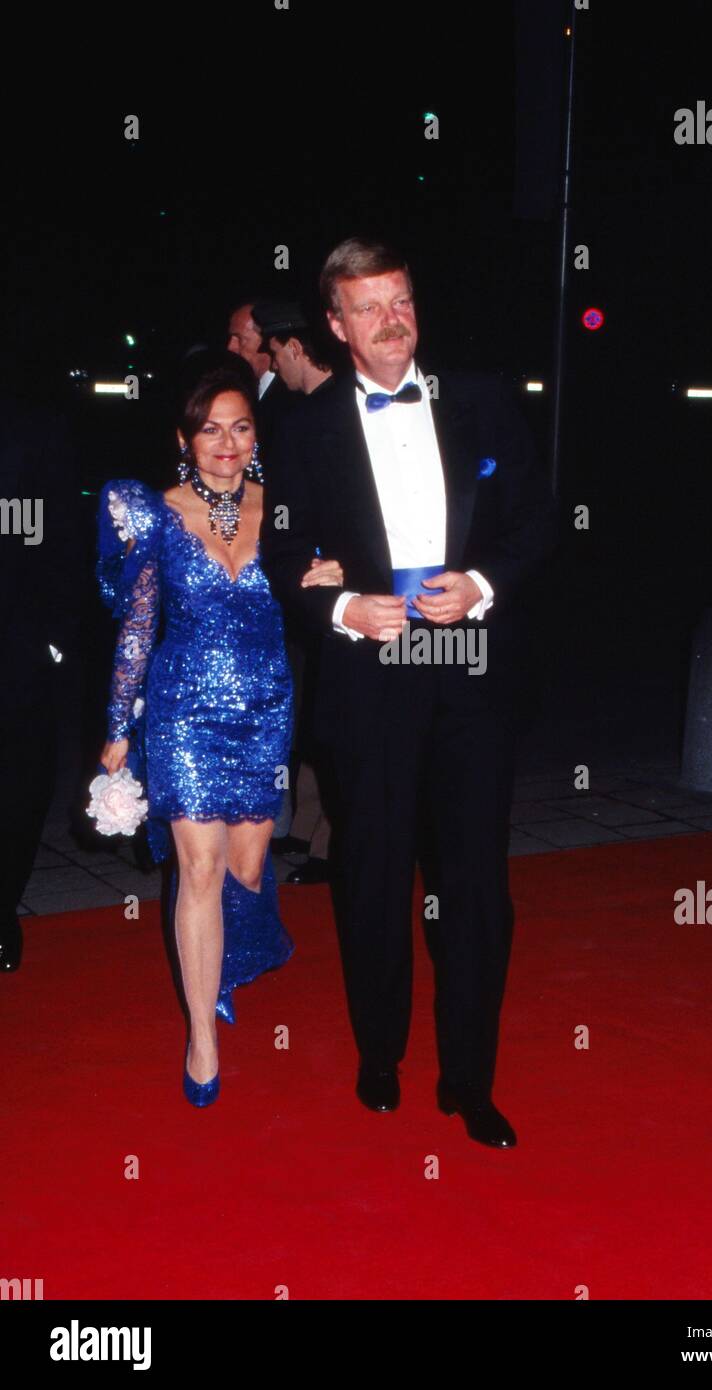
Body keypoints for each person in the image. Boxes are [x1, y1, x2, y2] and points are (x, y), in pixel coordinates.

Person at [261, 238, 557, 1147]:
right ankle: (380, 1054)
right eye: (370, 307)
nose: (392, 320)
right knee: (373, 877)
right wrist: (347, 607)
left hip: (470, 678)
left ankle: (470, 1080)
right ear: (337, 325)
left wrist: (485, 586)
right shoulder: (304, 428)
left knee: (474, 887)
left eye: (402, 301)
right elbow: (281, 555)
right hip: (369, 685)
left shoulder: (481, 401)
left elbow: (536, 521)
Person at [97, 358, 343, 1105]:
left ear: (256, 436)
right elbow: (140, 625)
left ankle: (233, 964)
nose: (227, 443)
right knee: (197, 871)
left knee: (244, 871)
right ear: (185, 438)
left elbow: (323, 599)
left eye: (240, 427)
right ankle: (201, 1036)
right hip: (181, 713)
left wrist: (335, 580)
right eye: (211, 429)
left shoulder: (289, 512)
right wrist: (117, 723)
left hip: (267, 709)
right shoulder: (156, 513)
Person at [254, 299, 336, 883]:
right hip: (305, 595)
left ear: (296, 347)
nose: (270, 361)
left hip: (346, 596)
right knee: (312, 716)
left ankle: (335, 846)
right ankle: (314, 830)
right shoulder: (302, 411)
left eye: (275, 349)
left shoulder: (334, 412)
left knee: (333, 721)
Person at [0, 397, 82, 971]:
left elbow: (61, 536)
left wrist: (53, 639)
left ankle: (3, 906)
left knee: (22, 780)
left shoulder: (33, 423)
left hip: (18, 642)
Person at [227, 300, 293, 452]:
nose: (231, 347)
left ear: (265, 340)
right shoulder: (245, 392)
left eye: (239, 338)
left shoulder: (289, 397)